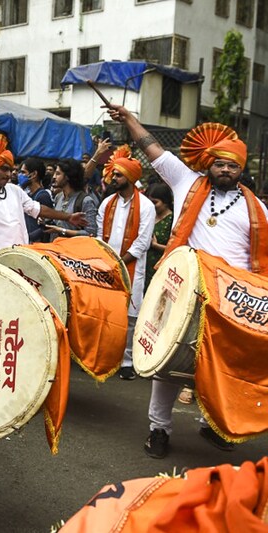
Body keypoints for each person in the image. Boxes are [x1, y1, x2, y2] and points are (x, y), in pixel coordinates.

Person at [108, 104, 268, 458]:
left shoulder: (258, 209)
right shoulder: (186, 182)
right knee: (168, 363)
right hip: (184, 291)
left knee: (219, 366)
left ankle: (214, 426)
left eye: (232, 165)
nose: (225, 170)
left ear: (241, 170)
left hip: (230, 303)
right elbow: (154, 149)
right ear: (209, 164)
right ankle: (158, 429)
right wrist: (131, 120)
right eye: (220, 163)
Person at [0, 133, 87, 256]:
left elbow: (38, 209)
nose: (9, 175)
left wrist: (68, 217)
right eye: (4, 169)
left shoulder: (15, 190)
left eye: (11, 170)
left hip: (22, 257)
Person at [95, 145, 156, 380]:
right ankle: (107, 357)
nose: (113, 178)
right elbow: (100, 236)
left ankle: (128, 361)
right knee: (107, 313)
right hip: (107, 265)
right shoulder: (107, 203)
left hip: (131, 268)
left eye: (118, 175)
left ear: (129, 177)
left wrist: (120, 262)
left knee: (131, 317)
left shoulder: (147, 207)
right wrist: (106, 260)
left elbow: (142, 243)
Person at [46, 158, 99, 240]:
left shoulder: (85, 201)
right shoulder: (58, 197)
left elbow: (91, 233)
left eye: (58, 174)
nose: (54, 177)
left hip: (74, 249)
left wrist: (62, 231)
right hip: (56, 248)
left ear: (67, 177)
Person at [144, 182, 173, 289]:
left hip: (161, 270)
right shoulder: (147, 216)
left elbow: (177, 249)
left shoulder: (173, 221)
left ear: (166, 202)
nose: (151, 206)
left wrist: (155, 245)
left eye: (155, 202)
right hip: (142, 268)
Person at [19, 157, 53, 243]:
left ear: (33, 174)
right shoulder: (27, 195)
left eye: (23, 172)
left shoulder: (42, 196)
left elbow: (47, 225)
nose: (20, 175)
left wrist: (29, 237)